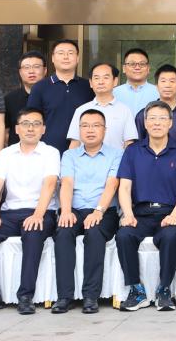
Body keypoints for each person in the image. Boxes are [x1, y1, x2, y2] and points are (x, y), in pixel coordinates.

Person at [0, 106, 60, 315]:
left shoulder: (51, 152)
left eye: (36, 124)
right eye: (25, 124)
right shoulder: (6, 154)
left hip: (41, 211)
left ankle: (25, 296)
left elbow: (50, 184)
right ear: (16, 129)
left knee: (33, 232)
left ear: (43, 129)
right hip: (10, 212)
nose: (30, 128)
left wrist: (38, 215)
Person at [115, 101, 176, 312]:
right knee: (124, 235)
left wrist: (175, 215)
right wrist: (128, 214)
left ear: (170, 123)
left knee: (170, 235)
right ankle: (136, 291)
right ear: (145, 123)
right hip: (140, 212)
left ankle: (164, 290)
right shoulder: (133, 151)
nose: (157, 123)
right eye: (152, 118)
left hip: (170, 212)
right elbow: (124, 187)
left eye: (162, 118)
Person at [53, 109, 123, 314]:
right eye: (85, 126)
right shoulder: (69, 155)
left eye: (95, 125)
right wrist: (66, 211)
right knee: (63, 232)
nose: (90, 130)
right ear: (79, 130)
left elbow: (112, 184)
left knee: (94, 233)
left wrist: (98, 211)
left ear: (104, 130)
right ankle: (64, 297)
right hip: (74, 209)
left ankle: (91, 296)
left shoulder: (116, 154)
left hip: (104, 211)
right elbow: (66, 183)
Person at [26, 40, 94, 154]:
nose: (66, 57)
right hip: (48, 152)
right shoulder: (39, 87)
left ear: (77, 58)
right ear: (53, 58)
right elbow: (32, 120)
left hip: (84, 151)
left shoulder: (88, 86)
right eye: (61, 53)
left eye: (70, 53)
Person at [66, 62, 138, 150]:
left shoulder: (125, 110)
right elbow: (75, 143)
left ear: (115, 81)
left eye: (106, 77)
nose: (101, 82)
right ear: (91, 83)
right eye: (96, 78)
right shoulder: (81, 110)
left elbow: (129, 143)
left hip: (116, 159)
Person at [133, 64, 176, 157]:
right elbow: (138, 145)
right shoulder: (143, 114)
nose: (167, 85)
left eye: (172, 81)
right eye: (163, 81)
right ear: (156, 86)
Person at [4, 51, 47, 147]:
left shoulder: (53, 97)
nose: (31, 71)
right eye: (26, 67)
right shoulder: (9, 99)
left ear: (45, 70)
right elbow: (5, 131)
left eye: (36, 67)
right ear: (20, 72)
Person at [113, 48, 160, 115]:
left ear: (148, 68)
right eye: (132, 64)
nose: (137, 67)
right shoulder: (113, 93)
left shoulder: (159, 92)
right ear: (124, 68)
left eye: (142, 64)